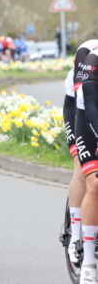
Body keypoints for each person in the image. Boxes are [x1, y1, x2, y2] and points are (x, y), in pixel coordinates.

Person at [63, 40, 98, 268]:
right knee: (82, 170)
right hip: (79, 112)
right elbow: (88, 109)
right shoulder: (88, 58)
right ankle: (76, 237)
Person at [73, 45, 98, 283]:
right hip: (89, 120)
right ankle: (89, 261)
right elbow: (91, 108)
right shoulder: (93, 59)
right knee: (95, 185)